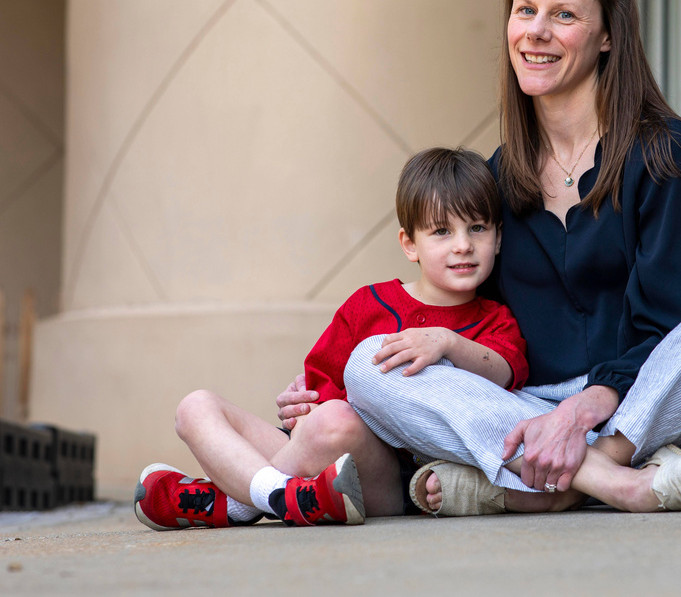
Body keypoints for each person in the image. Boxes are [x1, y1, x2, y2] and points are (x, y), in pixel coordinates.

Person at [278, 0, 681, 516]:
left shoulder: (663, 153)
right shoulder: (499, 178)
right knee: (369, 362)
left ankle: (564, 477)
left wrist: (583, 415)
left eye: (565, 15)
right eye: (525, 10)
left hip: (671, 416)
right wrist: (322, 392)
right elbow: (465, 314)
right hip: (530, 418)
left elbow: (670, 321)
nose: (536, 31)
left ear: (607, 37)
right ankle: (608, 484)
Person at [134, 147, 528, 530]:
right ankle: (281, 496)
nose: (463, 244)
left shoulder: (495, 319)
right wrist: (301, 404)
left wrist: (448, 342)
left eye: (477, 228)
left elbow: (505, 375)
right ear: (410, 244)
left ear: (497, 237)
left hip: (386, 479)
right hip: (316, 460)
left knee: (335, 421)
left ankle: (231, 503)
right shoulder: (368, 304)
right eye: (442, 231)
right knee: (194, 407)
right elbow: (317, 395)